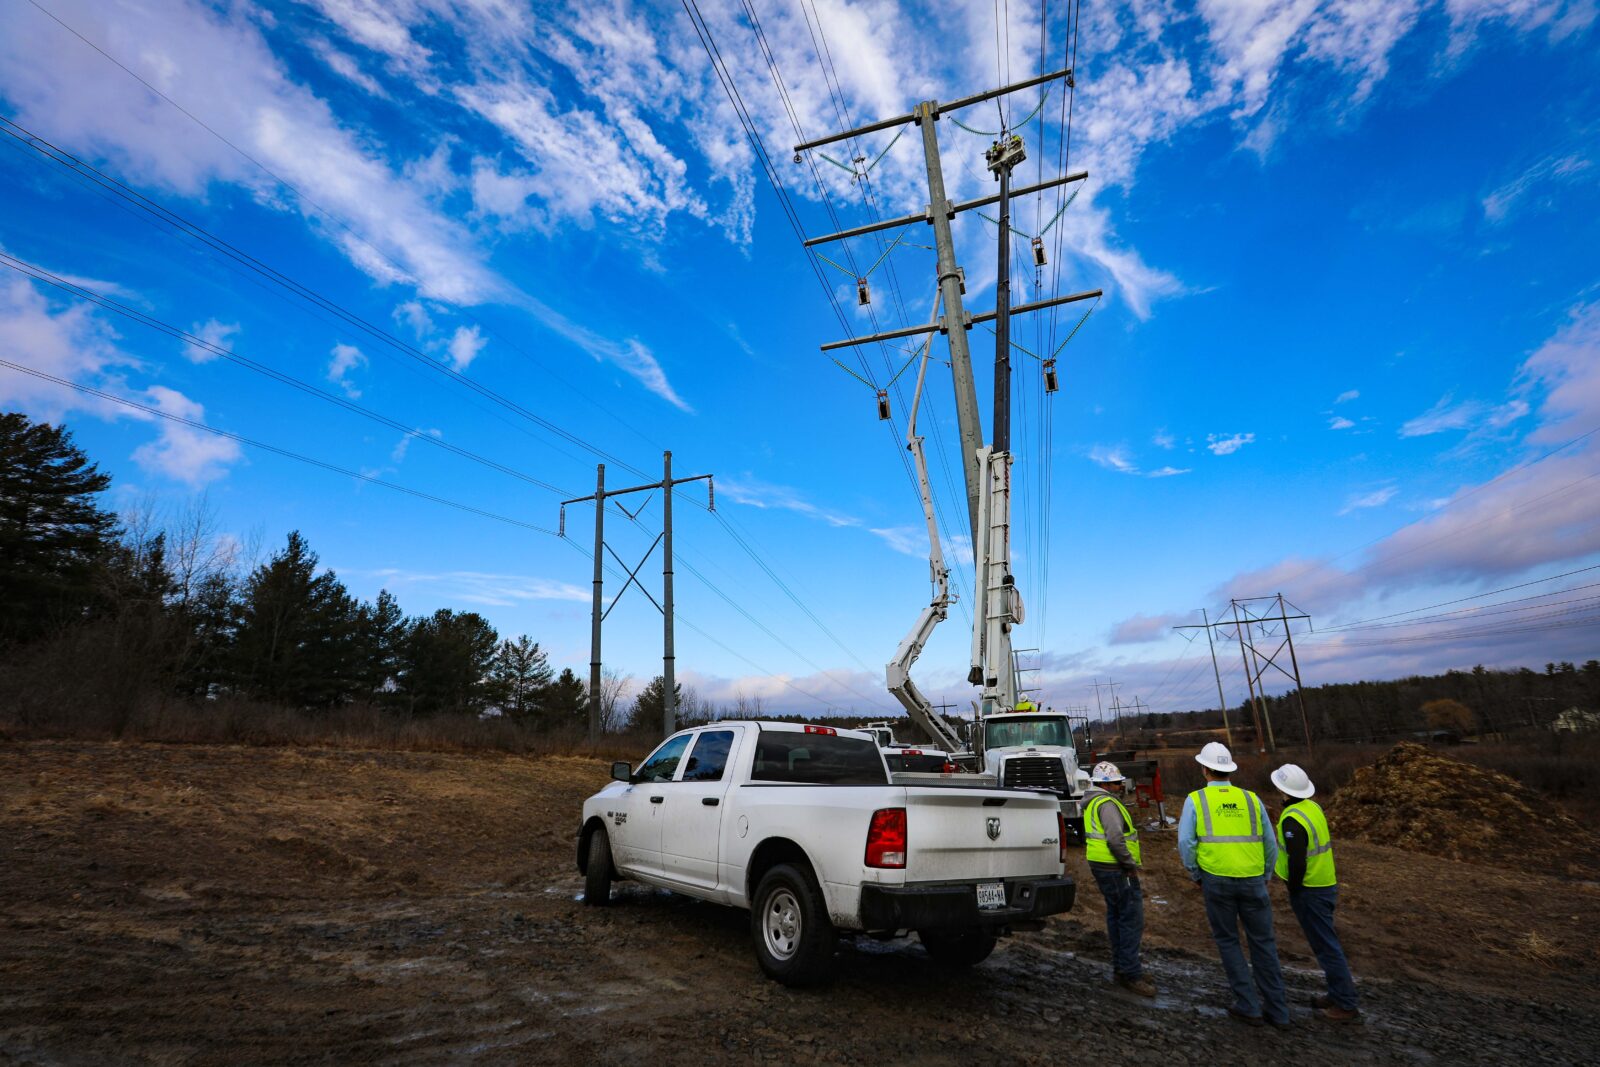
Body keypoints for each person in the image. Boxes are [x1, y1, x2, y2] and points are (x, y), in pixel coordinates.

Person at [1177, 741, 1291, 1028]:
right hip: (1254, 880)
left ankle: (1248, 1006)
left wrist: (1195, 873)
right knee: (1263, 943)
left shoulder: (1196, 800)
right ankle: (1279, 1012)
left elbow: (1186, 843)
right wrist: (1265, 874)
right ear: (1229, 770)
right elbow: (1270, 842)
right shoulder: (1252, 800)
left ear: (1204, 769)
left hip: (1216, 880)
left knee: (1228, 942)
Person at [1271, 763, 1360, 1022]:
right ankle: (1337, 994)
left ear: (1283, 789)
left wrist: (1293, 887)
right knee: (1326, 942)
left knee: (1326, 947)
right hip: (1325, 884)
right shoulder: (1313, 808)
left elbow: (1298, 861)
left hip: (1309, 890)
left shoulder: (1292, 819)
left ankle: (1345, 1003)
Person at [1083, 761, 1154, 997]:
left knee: (1116, 916)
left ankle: (1122, 967)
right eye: (1116, 782)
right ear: (1106, 784)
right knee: (1130, 919)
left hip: (1103, 866)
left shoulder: (1094, 801)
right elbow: (1115, 839)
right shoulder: (1107, 804)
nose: (1120, 786)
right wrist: (1129, 864)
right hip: (1115, 868)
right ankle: (1130, 973)